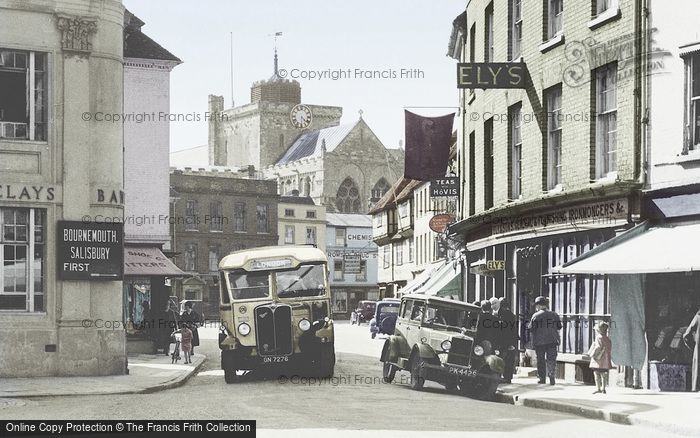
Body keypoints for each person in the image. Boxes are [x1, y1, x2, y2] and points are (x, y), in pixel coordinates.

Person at [529, 296, 562, 385]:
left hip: (539, 342)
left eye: (536, 306)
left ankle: (542, 378)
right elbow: (559, 327)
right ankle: (551, 376)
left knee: (541, 360)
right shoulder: (554, 314)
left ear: (539, 306)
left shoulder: (535, 316)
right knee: (551, 359)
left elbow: (531, 329)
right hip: (552, 340)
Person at [588, 321, 613, 394]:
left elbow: (598, 347)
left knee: (596, 373)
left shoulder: (598, 337)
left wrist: (593, 354)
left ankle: (598, 388)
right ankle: (604, 388)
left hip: (598, 358)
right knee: (604, 374)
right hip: (605, 358)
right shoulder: (607, 338)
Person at [497, 298, 518, 384]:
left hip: (504, 342)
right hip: (511, 341)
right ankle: (508, 377)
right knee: (510, 360)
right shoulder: (512, 315)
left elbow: (501, 330)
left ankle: (503, 377)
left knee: (503, 359)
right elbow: (514, 330)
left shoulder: (502, 315)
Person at [683, 309, 700, 392]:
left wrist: (692, 345)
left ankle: (695, 387)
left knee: (697, 366)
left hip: (698, 346)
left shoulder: (697, 317)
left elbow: (686, 334)